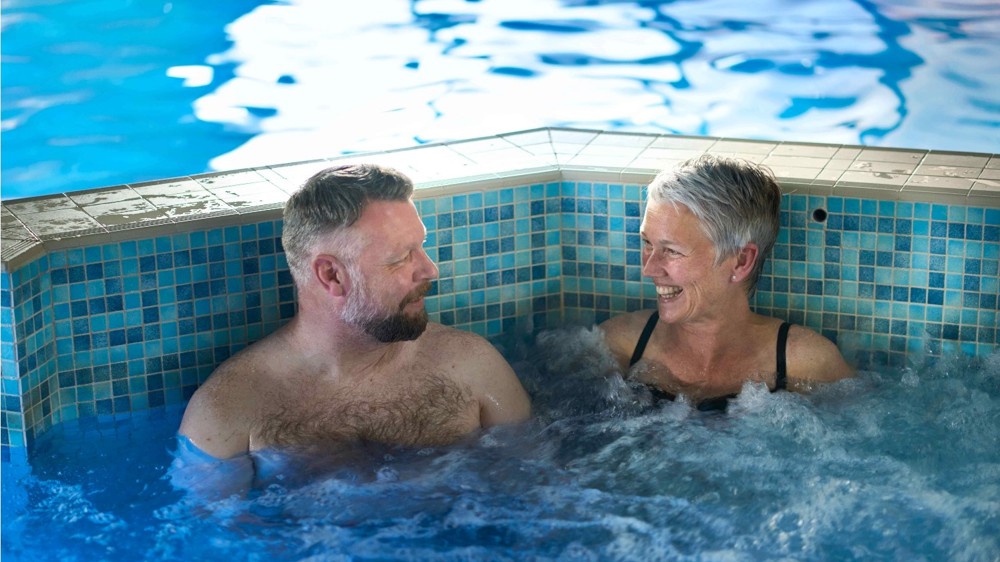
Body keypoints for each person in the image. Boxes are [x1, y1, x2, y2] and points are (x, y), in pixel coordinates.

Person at [178, 163, 532, 467]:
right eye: (399, 259)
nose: (429, 270)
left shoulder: (471, 365)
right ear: (331, 275)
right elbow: (207, 535)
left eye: (420, 247)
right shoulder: (229, 411)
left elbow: (534, 482)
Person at [599, 154, 853, 411]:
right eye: (647, 243)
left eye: (672, 251)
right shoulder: (617, 347)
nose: (648, 269)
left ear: (741, 261)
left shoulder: (809, 365)